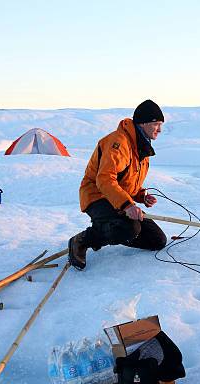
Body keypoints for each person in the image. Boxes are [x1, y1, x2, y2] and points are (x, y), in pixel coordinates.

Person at [68, 100, 167, 270]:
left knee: (157, 240)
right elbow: (104, 179)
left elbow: (127, 182)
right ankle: (84, 239)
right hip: (97, 195)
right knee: (129, 228)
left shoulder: (140, 147)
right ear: (143, 123)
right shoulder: (119, 142)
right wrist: (128, 205)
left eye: (161, 124)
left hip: (117, 199)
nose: (160, 129)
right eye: (156, 124)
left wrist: (141, 196)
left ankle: (113, 229)